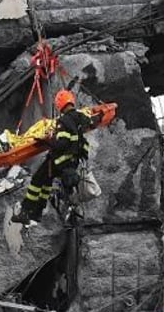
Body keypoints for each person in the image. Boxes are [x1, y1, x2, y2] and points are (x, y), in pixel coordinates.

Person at [13, 89, 101, 224]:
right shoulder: (81, 118)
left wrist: (45, 141)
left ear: (59, 105)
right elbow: (85, 133)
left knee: (37, 181)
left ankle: (26, 211)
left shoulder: (63, 121)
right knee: (46, 182)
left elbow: (62, 143)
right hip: (72, 162)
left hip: (59, 161)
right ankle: (37, 213)